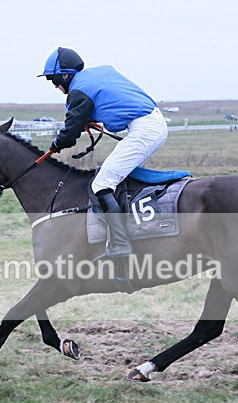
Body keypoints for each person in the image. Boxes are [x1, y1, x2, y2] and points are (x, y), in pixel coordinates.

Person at [39, 47, 168, 260]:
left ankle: (120, 245)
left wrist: (57, 144)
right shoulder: (98, 74)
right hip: (150, 124)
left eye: (53, 79)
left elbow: (70, 131)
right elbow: (110, 103)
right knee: (118, 178)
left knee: (102, 183)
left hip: (145, 129)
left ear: (65, 74)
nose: (54, 85)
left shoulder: (78, 91)